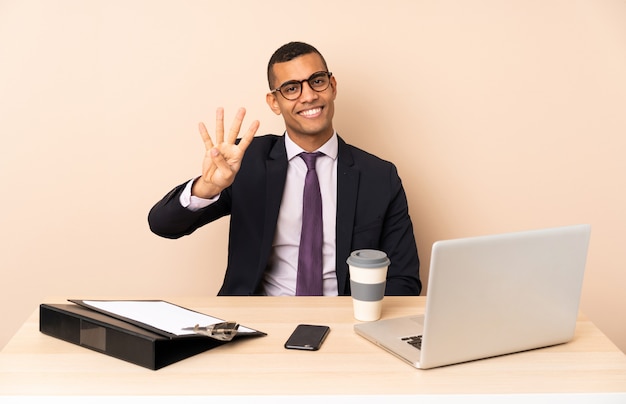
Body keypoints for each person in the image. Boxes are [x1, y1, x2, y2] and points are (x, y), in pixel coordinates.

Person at [148, 41, 421, 296]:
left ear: (332, 86)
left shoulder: (379, 176)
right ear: (274, 102)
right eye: (291, 88)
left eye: (317, 81)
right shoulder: (246, 161)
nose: (309, 96)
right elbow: (163, 225)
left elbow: (404, 280)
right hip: (259, 323)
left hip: (347, 324)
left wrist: (360, 323)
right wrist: (208, 187)